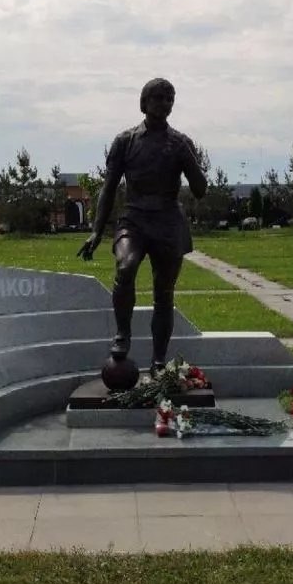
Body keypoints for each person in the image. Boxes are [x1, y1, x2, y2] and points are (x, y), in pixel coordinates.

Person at [77, 78, 207, 373]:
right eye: (159, 98)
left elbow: (200, 190)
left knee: (164, 293)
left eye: (170, 98)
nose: (165, 104)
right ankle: (122, 334)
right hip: (134, 219)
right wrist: (96, 230)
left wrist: (188, 157)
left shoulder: (180, 143)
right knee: (126, 267)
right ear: (144, 102)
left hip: (168, 221)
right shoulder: (125, 141)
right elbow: (109, 187)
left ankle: (159, 361)